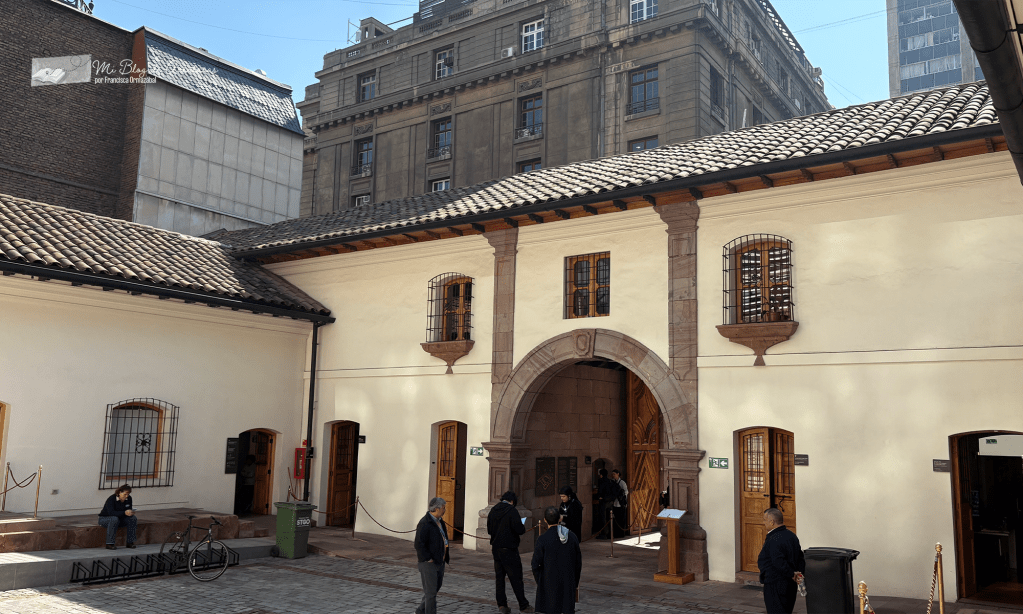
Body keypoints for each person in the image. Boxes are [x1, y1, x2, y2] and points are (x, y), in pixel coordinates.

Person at [487, 491, 534, 614]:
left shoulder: (493, 510)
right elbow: (519, 529)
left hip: (496, 549)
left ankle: (502, 605)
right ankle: (523, 605)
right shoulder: (512, 511)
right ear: (512, 501)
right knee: (516, 578)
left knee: (499, 578)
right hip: (509, 549)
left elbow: (489, 530)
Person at [531, 506, 582, 614]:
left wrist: (541, 580)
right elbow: (578, 563)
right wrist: (574, 582)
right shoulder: (572, 537)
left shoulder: (543, 539)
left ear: (545, 520)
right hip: (568, 582)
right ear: (560, 518)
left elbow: (535, 564)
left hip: (549, 582)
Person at [757, 507, 806, 614]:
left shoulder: (774, 538)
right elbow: (800, 558)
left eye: (765, 520)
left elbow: (778, 562)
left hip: (776, 584)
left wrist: (792, 574)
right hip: (790, 585)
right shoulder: (791, 535)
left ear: (772, 521)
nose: (763, 522)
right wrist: (798, 574)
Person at [414, 497, 450, 614]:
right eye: (443, 508)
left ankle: (420, 611)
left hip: (440, 561)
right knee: (431, 594)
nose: (445, 510)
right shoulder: (425, 523)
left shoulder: (440, 522)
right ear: (436, 509)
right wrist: (428, 558)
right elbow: (419, 544)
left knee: (434, 590)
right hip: (428, 563)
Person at [98, 483, 136, 550]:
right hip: (104, 519)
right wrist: (124, 512)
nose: (127, 496)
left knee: (133, 518)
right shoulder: (111, 499)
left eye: (128, 494)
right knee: (114, 519)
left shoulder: (129, 499)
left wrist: (130, 512)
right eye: (125, 494)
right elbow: (111, 513)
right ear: (119, 492)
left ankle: (130, 542)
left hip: (119, 519)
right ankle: (110, 543)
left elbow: (128, 509)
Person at [594, 468, 615, 539]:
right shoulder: (610, 481)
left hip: (603, 502)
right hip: (609, 501)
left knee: (602, 518)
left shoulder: (601, 481)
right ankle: (610, 533)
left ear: (601, 475)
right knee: (609, 517)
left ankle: (603, 534)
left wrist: (599, 497)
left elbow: (600, 491)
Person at [610, 469, 629, 538]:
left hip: (621, 504)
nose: (613, 475)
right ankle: (616, 533)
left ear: (618, 474)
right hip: (615, 503)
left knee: (621, 519)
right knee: (616, 519)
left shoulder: (622, 482)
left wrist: (621, 495)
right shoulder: (613, 482)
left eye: (614, 474)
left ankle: (621, 534)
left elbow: (626, 492)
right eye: (613, 474)